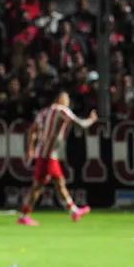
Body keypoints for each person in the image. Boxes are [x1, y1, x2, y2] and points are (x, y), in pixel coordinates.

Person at [17, 91, 96, 226]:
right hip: (48, 155)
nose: (68, 103)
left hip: (44, 153)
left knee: (54, 183)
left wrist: (30, 149)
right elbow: (80, 124)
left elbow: (32, 130)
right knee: (44, 185)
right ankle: (24, 215)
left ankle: (73, 210)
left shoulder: (43, 112)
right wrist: (91, 120)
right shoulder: (61, 110)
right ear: (60, 99)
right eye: (67, 99)